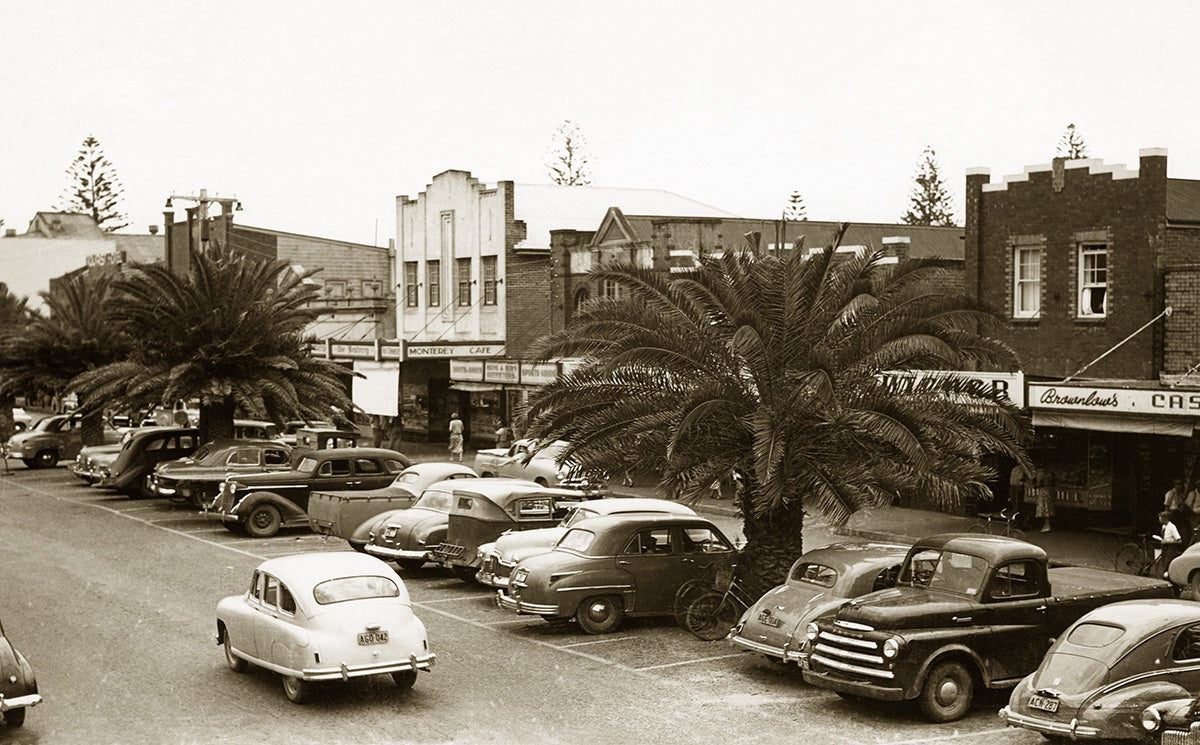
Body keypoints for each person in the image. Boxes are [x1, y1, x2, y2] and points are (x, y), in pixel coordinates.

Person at [1165, 478, 1192, 546]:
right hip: (1172, 513)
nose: (1180, 486)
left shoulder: (1181, 494)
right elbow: (1167, 506)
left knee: (1182, 531)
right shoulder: (1170, 493)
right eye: (1178, 484)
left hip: (1180, 514)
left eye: (1181, 484)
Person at [1156, 510, 1184, 575]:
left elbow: (1179, 541)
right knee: (1163, 562)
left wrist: (1167, 542)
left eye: (1160, 518)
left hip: (1171, 548)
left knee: (1167, 563)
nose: (1159, 519)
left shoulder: (1172, 527)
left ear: (1165, 518)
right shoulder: (1164, 526)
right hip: (1165, 547)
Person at [1033, 466, 1055, 533]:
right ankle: (1047, 524)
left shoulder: (1041, 473)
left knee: (1044, 507)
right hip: (1050, 490)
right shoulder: (1051, 473)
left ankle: (1047, 525)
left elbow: (1038, 483)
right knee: (1049, 507)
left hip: (1043, 490)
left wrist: (1035, 485)